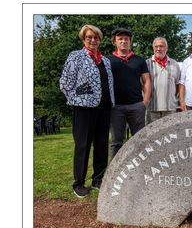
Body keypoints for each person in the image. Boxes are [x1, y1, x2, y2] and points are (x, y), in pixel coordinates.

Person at [60, 24, 115, 198]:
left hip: (104, 108)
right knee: (83, 145)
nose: (93, 40)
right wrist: (78, 96)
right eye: (89, 37)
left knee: (101, 145)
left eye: (96, 37)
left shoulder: (105, 60)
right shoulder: (76, 56)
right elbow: (65, 83)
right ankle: (79, 184)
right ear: (84, 39)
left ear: (100, 40)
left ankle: (98, 180)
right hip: (84, 108)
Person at [108, 28, 151, 159]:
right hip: (116, 107)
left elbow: (147, 81)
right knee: (116, 142)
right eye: (120, 38)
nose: (123, 41)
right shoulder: (108, 60)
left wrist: (145, 102)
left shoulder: (139, 60)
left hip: (136, 106)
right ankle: (114, 173)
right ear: (114, 41)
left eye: (126, 39)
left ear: (130, 41)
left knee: (140, 140)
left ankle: (142, 169)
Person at [145, 37, 182, 124]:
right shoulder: (147, 64)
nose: (158, 49)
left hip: (170, 109)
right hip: (152, 108)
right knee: (151, 135)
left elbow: (177, 85)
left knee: (171, 135)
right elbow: (142, 85)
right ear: (153, 48)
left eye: (161, 46)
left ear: (166, 48)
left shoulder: (174, 64)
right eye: (156, 46)